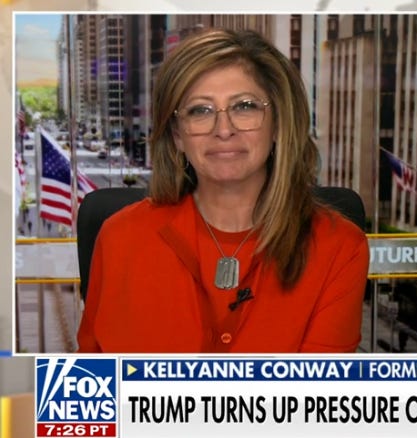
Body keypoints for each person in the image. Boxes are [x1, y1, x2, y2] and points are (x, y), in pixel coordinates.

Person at [77, 29, 369, 353]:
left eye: (244, 106)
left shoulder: (339, 248)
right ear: (177, 134)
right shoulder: (119, 238)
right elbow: (93, 377)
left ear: (278, 124)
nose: (224, 130)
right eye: (200, 111)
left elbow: (318, 385)